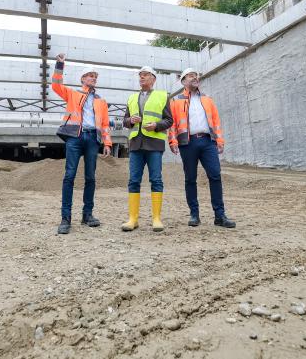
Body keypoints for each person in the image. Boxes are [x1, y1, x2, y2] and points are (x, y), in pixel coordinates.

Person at [51, 53, 112, 235]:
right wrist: (59, 65)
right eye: (90, 75)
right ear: (83, 79)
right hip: (75, 138)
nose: (93, 78)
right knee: (69, 176)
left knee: (90, 178)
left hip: (93, 139)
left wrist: (107, 142)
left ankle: (87, 215)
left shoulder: (101, 101)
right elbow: (55, 85)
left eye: (95, 76)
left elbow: (105, 124)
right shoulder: (73, 93)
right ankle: (65, 218)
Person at [168, 68, 236, 228]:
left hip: (208, 142)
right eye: (190, 76)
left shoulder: (207, 99)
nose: (194, 78)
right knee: (190, 179)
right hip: (187, 143)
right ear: (183, 81)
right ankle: (194, 215)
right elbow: (172, 124)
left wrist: (219, 140)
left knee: (215, 175)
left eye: (195, 76)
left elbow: (216, 121)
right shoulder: (176, 101)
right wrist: (172, 141)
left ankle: (220, 216)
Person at [121, 66, 173, 232]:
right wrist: (131, 120)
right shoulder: (132, 98)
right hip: (136, 144)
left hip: (154, 144)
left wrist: (156, 125)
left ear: (153, 79)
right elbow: (125, 121)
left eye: (145, 75)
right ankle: (133, 219)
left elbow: (169, 120)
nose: (142, 77)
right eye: (140, 75)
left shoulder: (162, 96)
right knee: (134, 181)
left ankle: (156, 218)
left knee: (156, 180)